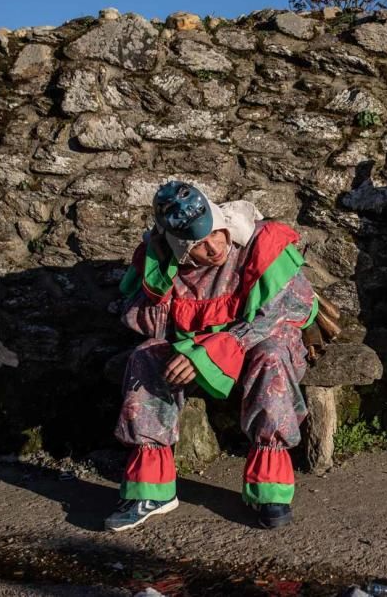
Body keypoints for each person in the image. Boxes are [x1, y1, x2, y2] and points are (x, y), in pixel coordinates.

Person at [105, 181, 318, 532]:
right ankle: (152, 489)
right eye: (199, 246)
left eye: (216, 234)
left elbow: (281, 312)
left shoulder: (259, 244)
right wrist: (160, 279)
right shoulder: (167, 262)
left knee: (272, 358)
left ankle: (270, 491)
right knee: (144, 357)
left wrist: (212, 351)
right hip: (195, 348)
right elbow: (145, 325)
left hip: (260, 343)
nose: (214, 247)